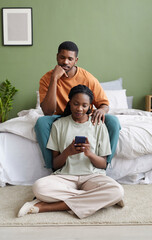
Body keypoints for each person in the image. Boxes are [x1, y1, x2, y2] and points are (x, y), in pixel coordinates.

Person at [18, 85, 124, 219]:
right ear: (69, 103)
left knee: (118, 190)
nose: (80, 109)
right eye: (76, 104)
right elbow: (56, 165)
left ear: (90, 106)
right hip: (65, 177)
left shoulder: (98, 125)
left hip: (92, 176)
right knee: (39, 187)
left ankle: (45, 207)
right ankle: (102, 199)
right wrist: (68, 152)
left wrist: (89, 153)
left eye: (85, 105)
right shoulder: (58, 125)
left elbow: (103, 164)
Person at [35, 41, 121, 169]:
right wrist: (54, 78)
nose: (65, 62)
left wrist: (102, 111)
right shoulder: (46, 79)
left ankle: (104, 165)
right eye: (62, 57)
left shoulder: (88, 78)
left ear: (76, 60)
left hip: (85, 116)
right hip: (60, 116)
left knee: (113, 121)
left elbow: (104, 104)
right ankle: (53, 167)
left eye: (70, 59)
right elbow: (48, 112)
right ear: (57, 56)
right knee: (41, 123)